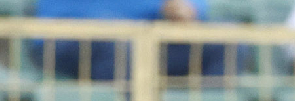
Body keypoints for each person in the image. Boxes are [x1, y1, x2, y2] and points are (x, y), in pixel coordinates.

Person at [31, 0, 234, 80]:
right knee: (120, 47)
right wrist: (159, 6)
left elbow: (194, 6)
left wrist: (188, 8)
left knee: (226, 42)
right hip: (67, 38)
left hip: (148, 37)